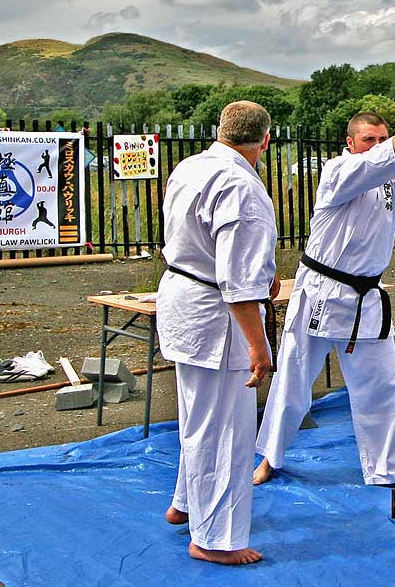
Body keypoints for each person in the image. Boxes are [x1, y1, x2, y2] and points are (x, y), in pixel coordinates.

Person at [253, 102, 395, 488]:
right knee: (293, 384)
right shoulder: (338, 171)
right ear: (350, 142)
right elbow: (383, 160)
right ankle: (270, 458)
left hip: (366, 300)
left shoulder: (388, 181)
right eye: (370, 139)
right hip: (320, 294)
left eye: (383, 138)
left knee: (382, 386)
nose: (379, 145)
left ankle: (393, 472)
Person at [157, 101, 280, 565]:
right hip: (217, 315)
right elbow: (237, 280)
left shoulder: (191, 166)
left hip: (184, 296)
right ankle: (214, 539)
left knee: (197, 415)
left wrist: (260, 271)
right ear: (264, 141)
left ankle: (185, 503)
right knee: (226, 428)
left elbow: (201, 239)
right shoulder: (241, 187)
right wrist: (258, 345)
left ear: (220, 130)